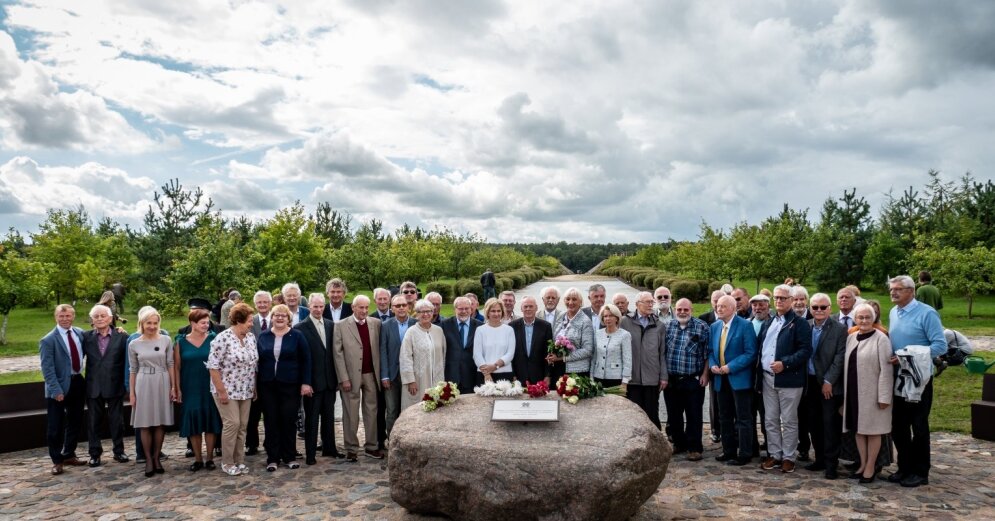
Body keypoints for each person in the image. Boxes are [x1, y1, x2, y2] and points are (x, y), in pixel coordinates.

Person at [886, 275, 946, 488]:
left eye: (898, 289)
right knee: (898, 425)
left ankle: (921, 472)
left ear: (911, 291)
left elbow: (940, 346)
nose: (893, 292)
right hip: (899, 378)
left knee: (918, 425)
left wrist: (904, 355)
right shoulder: (894, 312)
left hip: (919, 379)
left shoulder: (927, 313)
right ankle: (905, 467)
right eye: (891, 289)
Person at [757, 285, 812, 474]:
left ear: (791, 300)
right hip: (767, 378)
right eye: (777, 298)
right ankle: (775, 453)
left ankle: (789, 456)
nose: (779, 301)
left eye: (783, 298)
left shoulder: (799, 323)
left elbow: (805, 351)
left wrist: (785, 363)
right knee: (770, 419)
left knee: (788, 420)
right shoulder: (769, 322)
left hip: (789, 379)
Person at [256, 304, 312, 471]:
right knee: (271, 421)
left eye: (283, 316)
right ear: (271, 318)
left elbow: (306, 360)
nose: (279, 318)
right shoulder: (263, 336)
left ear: (289, 318)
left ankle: (289, 456)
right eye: (276, 315)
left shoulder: (297, 336)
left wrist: (306, 382)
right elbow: (258, 360)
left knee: (288, 420)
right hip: (268, 386)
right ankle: (272, 458)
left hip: (290, 385)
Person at [843, 303, 894, 483]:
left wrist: (884, 397)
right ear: (855, 319)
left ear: (873, 319)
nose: (864, 321)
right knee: (859, 429)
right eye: (860, 317)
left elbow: (886, 370)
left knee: (873, 431)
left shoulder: (881, 339)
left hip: (873, 395)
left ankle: (871, 467)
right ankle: (863, 464)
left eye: (867, 317)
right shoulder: (852, 337)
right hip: (853, 393)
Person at [207, 302, 258, 476]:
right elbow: (213, 367)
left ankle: (239, 461)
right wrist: (221, 392)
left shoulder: (250, 338)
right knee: (232, 424)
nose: (251, 324)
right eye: (249, 321)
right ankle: (227, 462)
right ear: (239, 320)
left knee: (242, 426)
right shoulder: (223, 339)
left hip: (246, 389)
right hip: (226, 390)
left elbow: (253, 364)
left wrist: (254, 387)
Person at [333, 295, 383, 461]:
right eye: (361, 307)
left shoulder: (376, 323)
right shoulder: (341, 325)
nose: (364, 311)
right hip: (350, 376)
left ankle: (371, 446)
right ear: (353, 308)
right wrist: (343, 378)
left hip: (371, 374)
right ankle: (351, 448)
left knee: (371, 411)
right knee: (350, 413)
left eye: (366, 308)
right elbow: (337, 354)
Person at [710, 295, 758, 466]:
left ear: (732, 308)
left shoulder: (745, 326)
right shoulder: (715, 326)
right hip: (720, 380)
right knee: (724, 417)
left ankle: (745, 453)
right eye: (718, 306)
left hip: (739, 379)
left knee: (743, 418)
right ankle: (728, 450)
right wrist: (713, 365)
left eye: (723, 306)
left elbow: (751, 353)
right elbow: (710, 351)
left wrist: (731, 367)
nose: (719, 308)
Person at [803, 293, 847, 479]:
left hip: (829, 384)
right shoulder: (806, 326)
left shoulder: (839, 329)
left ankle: (831, 464)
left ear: (830, 308)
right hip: (809, 382)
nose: (819, 311)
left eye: (823, 307)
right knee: (813, 423)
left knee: (830, 425)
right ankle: (819, 458)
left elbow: (839, 357)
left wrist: (829, 381)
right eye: (815, 307)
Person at [295, 293, 342, 464]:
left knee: (329, 418)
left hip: (329, 381)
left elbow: (334, 354)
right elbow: (299, 359)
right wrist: (304, 382)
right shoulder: (300, 328)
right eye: (315, 306)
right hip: (312, 382)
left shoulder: (331, 325)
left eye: (321, 306)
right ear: (309, 307)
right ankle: (310, 454)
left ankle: (330, 449)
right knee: (312, 420)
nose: (318, 309)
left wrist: (337, 379)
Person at [128, 306, 176, 477]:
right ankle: (148, 459)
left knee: (159, 422)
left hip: (162, 381)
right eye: (149, 323)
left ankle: (157, 457)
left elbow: (170, 363)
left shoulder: (166, 340)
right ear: (142, 323)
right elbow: (132, 369)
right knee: (145, 423)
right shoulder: (134, 343)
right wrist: (132, 393)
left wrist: (173, 387)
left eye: (155, 323)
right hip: (143, 381)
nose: (152, 326)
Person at [40, 304, 87, 475]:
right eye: (61, 316)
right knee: (55, 425)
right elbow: (47, 369)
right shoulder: (48, 340)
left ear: (73, 316)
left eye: (68, 316)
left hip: (77, 382)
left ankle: (68, 454)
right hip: (58, 386)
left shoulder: (80, 333)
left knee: (75, 421)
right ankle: (57, 460)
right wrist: (56, 390)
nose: (65, 319)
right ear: (56, 317)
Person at [662, 298, 710, 461]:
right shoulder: (668, 326)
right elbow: (663, 353)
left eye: (686, 309)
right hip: (672, 379)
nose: (682, 312)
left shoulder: (701, 327)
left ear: (692, 310)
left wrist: (705, 374)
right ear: (675, 309)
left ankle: (694, 447)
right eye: (679, 309)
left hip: (693, 379)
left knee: (694, 415)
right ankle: (678, 443)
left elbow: (707, 354)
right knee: (674, 415)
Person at [82, 304, 130, 467]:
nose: (100, 319)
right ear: (92, 320)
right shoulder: (86, 337)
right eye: (96, 316)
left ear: (110, 319)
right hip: (93, 386)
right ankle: (95, 454)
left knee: (117, 421)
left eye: (103, 316)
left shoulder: (122, 336)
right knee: (93, 422)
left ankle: (119, 451)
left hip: (115, 385)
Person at [174, 308, 222, 472]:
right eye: (202, 322)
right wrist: (177, 388)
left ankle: (209, 458)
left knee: (210, 420)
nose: (206, 325)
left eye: (207, 322)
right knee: (193, 422)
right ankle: (198, 458)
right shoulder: (180, 341)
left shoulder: (214, 339)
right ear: (192, 324)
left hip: (209, 385)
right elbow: (177, 367)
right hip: (189, 385)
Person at [619, 292, 666, 429]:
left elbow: (662, 353)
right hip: (632, 378)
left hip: (652, 378)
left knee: (652, 415)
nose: (651, 305)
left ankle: (656, 446)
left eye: (652, 302)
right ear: (637, 304)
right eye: (647, 302)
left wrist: (663, 376)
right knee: (634, 415)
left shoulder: (659, 325)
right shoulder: (625, 322)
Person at [400, 299, 447, 409]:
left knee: (436, 408)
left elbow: (444, 354)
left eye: (429, 311)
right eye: (422, 312)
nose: (426, 314)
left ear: (433, 312)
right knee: (417, 410)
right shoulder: (411, 332)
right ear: (417, 314)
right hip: (418, 381)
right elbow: (405, 357)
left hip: (437, 379)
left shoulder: (438, 331)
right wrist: (410, 380)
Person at [380, 295, 416, 436]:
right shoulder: (385, 326)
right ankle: (392, 440)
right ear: (392, 308)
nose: (401, 308)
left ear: (408, 307)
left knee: (410, 409)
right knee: (392, 410)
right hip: (392, 374)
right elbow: (383, 351)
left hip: (412, 375)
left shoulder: (416, 324)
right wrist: (384, 375)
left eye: (404, 305)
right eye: (397, 306)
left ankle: (411, 438)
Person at [246, 290, 272, 456]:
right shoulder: (250, 322)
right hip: (251, 374)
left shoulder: (277, 319)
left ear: (270, 304)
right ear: (255, 305)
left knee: (270, 412)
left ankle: (270, 442)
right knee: (252, 413)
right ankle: (251, 443)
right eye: (259, 303)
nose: (262, 305)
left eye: (265, 302)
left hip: (270, 373)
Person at [547, 288, 595, 378]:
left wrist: (562, 358)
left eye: (574, 299)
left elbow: (588, 350)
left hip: (577, 371)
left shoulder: (585, 321)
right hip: (558, 368)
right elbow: (554, 339)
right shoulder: (561, 316)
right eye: (568, 299)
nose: (570, 302)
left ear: (580, 302)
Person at [700, 289, 726, 442]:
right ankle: (715, 429)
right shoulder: (704, 319)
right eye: (714, 300)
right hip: (712, 367)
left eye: (720, 300)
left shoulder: (733, 318)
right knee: (714, 401)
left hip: (729, 367)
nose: (717, 303)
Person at [510, 296, 553, 385]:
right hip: (518, 376)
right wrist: (512, 375)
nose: (528, 309)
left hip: (539, 375)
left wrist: (547, 375)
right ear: (521, 308)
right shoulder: (512, 326)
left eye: (531, 306)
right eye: (525, 307)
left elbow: (549, 352)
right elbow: (510, 353)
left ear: (536, 308)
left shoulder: (546, 326)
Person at [443, 296, 483, 393]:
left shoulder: (480, 326)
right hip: (451, 375)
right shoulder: (444, 325)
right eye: (460, 309)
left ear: (471, 309)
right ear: (455, 309)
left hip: (472, 375)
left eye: (467, 308)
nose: (464, 311)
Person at [473, 298, 517, 384]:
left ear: (502, 312)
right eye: (493, 311)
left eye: (498, 311)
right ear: (487, 313)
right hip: (484, 375)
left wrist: (495, 366)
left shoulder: (509, 330)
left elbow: (510, 353)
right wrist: (486, 373)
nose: (496, 314)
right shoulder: (480, 330)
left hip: (505, 373)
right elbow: (477, 354)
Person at [591, 304, 632, 388]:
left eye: (611, 316)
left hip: (616, 379)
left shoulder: (625, 335)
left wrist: (625, 381)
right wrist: (591, 377)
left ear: (617, 318)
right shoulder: (597, 334)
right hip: (598, 377)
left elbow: (627, 359)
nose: (608, 318)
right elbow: (594, 357)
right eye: (605, 316)